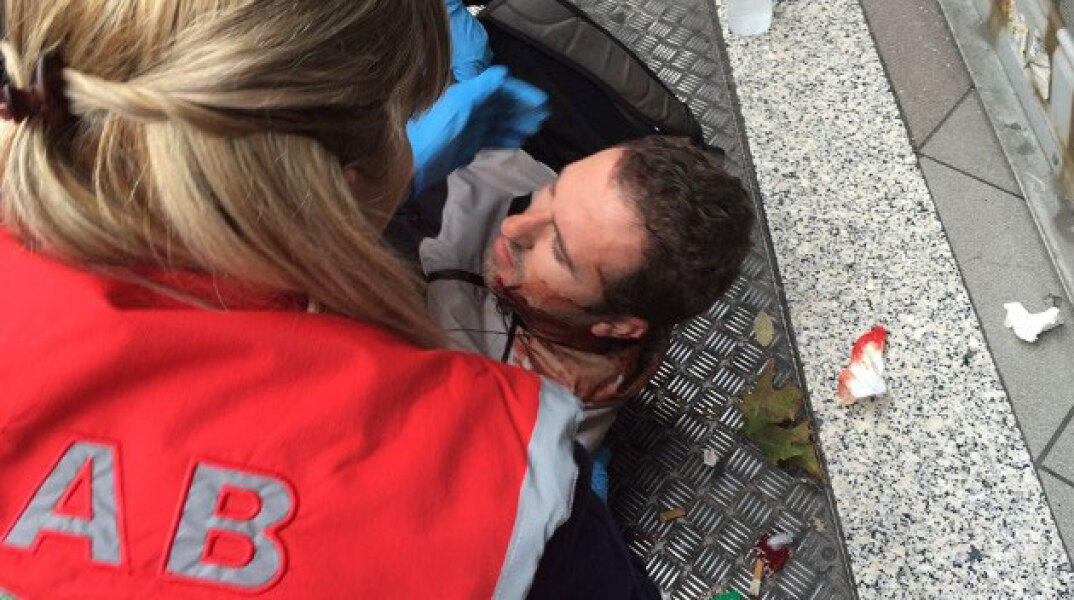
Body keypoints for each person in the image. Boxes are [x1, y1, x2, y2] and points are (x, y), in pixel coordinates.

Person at [0, 1, 658, 598]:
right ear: (340, 181)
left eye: (561, 246)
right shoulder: (504, 478)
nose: (515, 227)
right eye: (406, 119)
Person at [421, 136, 755, 450]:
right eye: (553, 190)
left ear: (618, 326)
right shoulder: (578, 214)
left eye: (559, 252)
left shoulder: (510, 423)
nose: (513, 226)